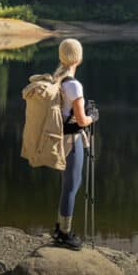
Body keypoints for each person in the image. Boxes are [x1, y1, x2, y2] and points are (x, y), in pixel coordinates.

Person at [51, 38, 97, 250]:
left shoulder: (57, 78)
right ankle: (64, 233)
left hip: (61, 139)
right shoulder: (74, 85)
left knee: (67, 185)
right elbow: (81, 120)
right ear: (77, 57)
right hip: (72, 141)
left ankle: (61, 227)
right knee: (72, 185)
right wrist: (93, 117)